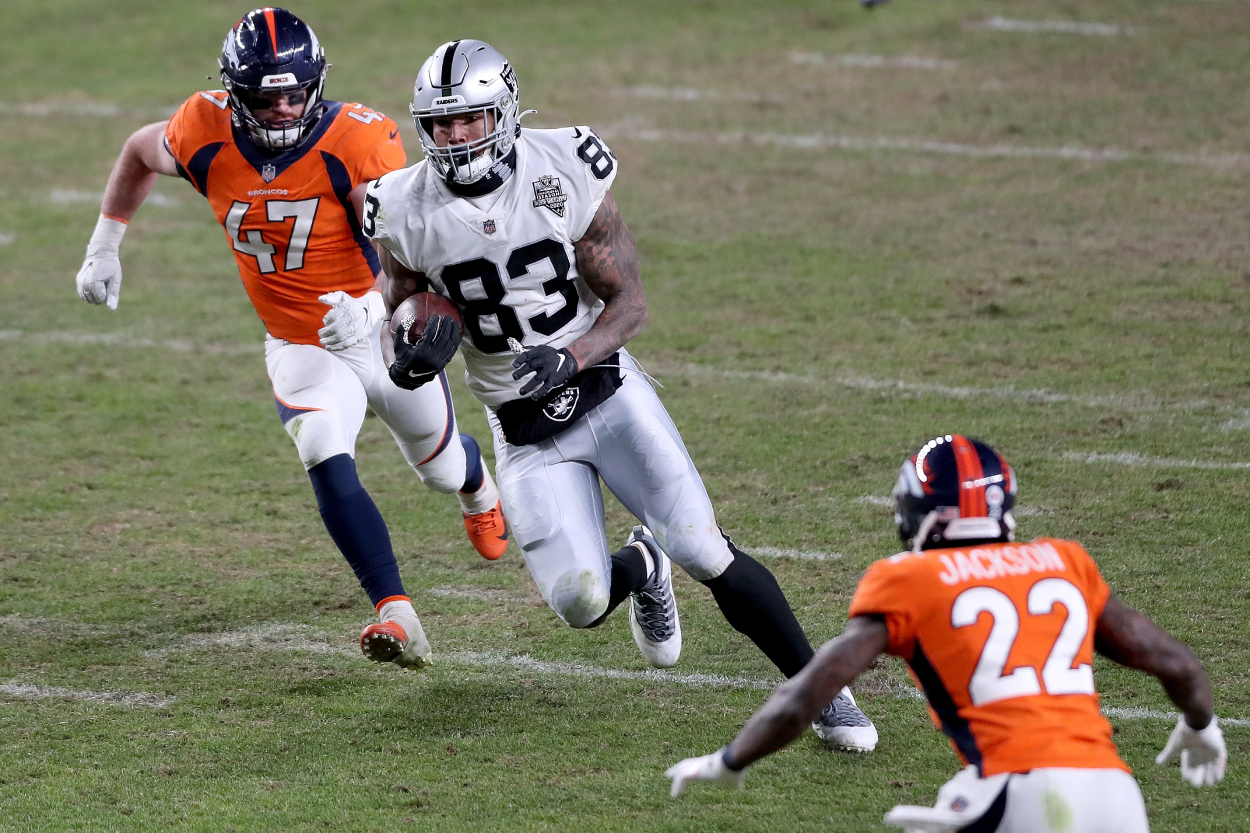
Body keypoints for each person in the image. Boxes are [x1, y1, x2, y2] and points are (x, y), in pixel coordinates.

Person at [359, 39, 877, 750]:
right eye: (441, 123)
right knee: (579, 600)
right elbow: (398, 312)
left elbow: (629, 303)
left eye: (470, 119)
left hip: (606, 392)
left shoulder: (562, 164)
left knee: (703, 546)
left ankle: (821, 690)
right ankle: (641, 567)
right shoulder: (400, 207)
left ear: (504, 114)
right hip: (521, 425)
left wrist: (570, 354)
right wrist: (408, 363)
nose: (454, 136)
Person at [72, 8, 510, 670]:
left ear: (316, 83)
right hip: (300, 343)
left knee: (440, 467)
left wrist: (371, 307)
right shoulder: (204, 126)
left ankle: (477, 484)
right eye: (265, 97)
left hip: (381, 332)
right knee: (320, 444)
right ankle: (395, 609)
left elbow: (416, 245)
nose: (281, 108)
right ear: (233, 92)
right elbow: (140, 148)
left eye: (293, 93)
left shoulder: (358, 141)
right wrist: (106, 241)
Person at [666, 435, 1227, 832]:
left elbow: (805, 696)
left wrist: (729, 759)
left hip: (1018, 791)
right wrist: (1201, 724)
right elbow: (1176, 664)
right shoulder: (1063, 562)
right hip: (1117, 797)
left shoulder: (911, 580)